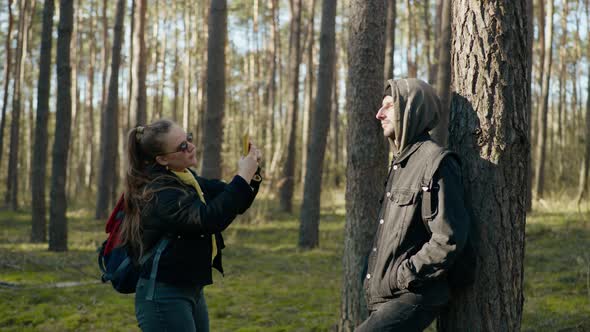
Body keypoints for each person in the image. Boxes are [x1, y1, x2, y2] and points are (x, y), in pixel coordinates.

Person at [118, 119, 262, 332]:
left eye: (189, 138)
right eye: (182, 146)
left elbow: (232, 201)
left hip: (189, 288)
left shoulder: (185, 178)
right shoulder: (159, 192)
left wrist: (252, 172)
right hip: (163, 295)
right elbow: (208, 219)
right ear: (163, 159)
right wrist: (243, 176)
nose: (191, 147)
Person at [356, 78, 470, 331]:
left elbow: (448, 237)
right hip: (386, 296)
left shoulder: (436, 162)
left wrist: (406, 275)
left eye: (388, 106)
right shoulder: (400, 164)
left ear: (411, 109)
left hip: (415, 293)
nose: (379, 114)